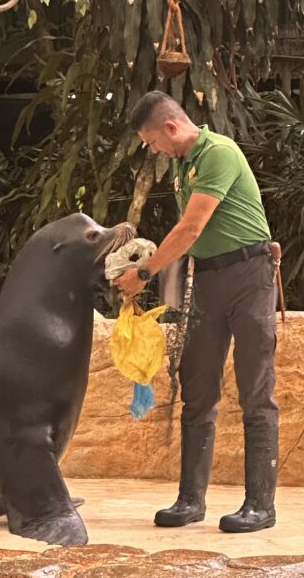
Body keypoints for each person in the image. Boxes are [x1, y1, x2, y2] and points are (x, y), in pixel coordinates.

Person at [115, 90, 279, 533]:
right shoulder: (183, 167)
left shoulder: (217, 153)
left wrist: (144, 273)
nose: (153, 151)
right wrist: (161, 301)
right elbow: (190, 245)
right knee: (198, 383)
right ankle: (191, 500)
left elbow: (190, 228)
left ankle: (260, 505)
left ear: (170, 128)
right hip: (207, 278)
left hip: (249, 274)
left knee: (255, 388)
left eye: (151, 143)